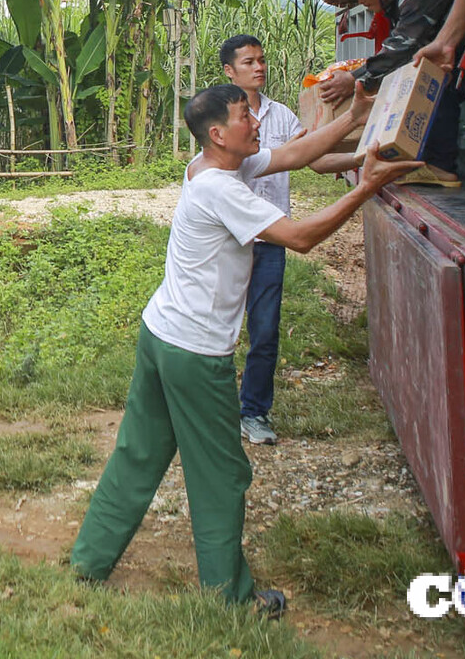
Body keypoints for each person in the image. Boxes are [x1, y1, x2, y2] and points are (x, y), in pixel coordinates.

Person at [69, 84, 411, 616]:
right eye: (245, 115)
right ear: (217, 133)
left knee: (138, 455)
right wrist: (364, 189)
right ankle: (230, 597)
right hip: (195, 353)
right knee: (222, 473)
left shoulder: (212, 167)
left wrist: (353, 119)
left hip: (161, 333)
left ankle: (89, 562)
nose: (256, 121)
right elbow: (298, 238)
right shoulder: (222, 191)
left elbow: (295, 153)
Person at [315, 0, 465, 177]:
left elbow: (401, 49)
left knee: (437, 87)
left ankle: (439, 166)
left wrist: (353, 78)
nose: (361, 2)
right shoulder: (398, 0)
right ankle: (431, 162)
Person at [217, 34, 303, 447]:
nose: (259, 67)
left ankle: (253, 411)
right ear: (229, 72)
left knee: (265, 329)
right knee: (220, 327)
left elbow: (308, 155)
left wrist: (361, 153)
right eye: (248, 62)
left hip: (270, 240)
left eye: (262, 60)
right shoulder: (220, 121)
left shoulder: (282, 117)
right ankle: (215, 408)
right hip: (232, 242)